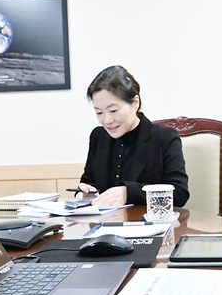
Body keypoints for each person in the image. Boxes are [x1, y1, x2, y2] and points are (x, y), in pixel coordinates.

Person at [77, 65, 189, 208]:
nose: (107, 120)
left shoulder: (164, 138)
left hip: (149, 225)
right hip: (104, 226)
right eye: (99, 113)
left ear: (135, 102)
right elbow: (88, 181)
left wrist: (128, 193)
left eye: (113, 110)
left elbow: (179, 194)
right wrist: (85, 192)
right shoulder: (98, 137)